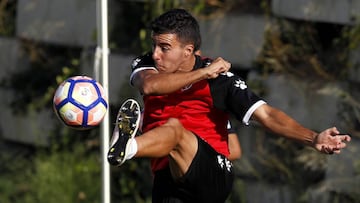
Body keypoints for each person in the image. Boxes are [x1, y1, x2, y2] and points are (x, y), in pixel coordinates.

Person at [107, 8, 351, 203]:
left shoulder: (222, 82)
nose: (156, 54)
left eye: (165, 47)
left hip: (215, 174)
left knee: (175, 131)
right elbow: (150, 86)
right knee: (173, 138)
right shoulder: (148, 65)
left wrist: (313, 138)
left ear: (188, 50)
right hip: (169, 178)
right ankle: (129, 146)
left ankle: (127, 147)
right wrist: (202, 74)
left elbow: (266, 115)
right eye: (154, 46)